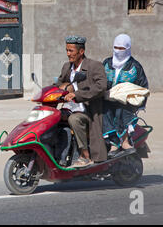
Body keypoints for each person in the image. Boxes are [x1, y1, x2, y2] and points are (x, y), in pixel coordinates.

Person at [55, 35, 108, 167]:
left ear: (81, 51)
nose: (68, 54)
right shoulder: (67, 67)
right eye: (67, 50)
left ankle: (85, 156)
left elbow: (101, 87)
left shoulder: (94, 66)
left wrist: (77, 95)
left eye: (71, 51)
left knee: (74, 119)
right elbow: (58, 84)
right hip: (70, 108)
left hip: (89, 112)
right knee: (52, 118)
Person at [102, 33, 149, 158]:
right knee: (103, 109)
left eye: (122, 49)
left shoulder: (135, 67)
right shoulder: (106, 63)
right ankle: (112, 141)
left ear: (128, 48)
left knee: (120, 110)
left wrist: (140, 104)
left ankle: (123, 141)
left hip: (126, 103)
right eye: (116, 48)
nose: (118, 51)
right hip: (107, 99)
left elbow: (143, 86)